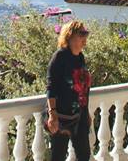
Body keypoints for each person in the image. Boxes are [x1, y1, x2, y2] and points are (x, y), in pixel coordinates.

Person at [46, 20, 93, 161]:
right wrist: (52, 114)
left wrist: (86, 112)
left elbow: (83, 88)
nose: (85, 39)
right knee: (58, 156)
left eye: (86, 34)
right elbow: (51, 86)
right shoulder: (59, 57)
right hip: (61, 117)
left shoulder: (80, 57)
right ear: (70, 36)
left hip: (79, 116)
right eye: (81, 34)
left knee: (84, 155)